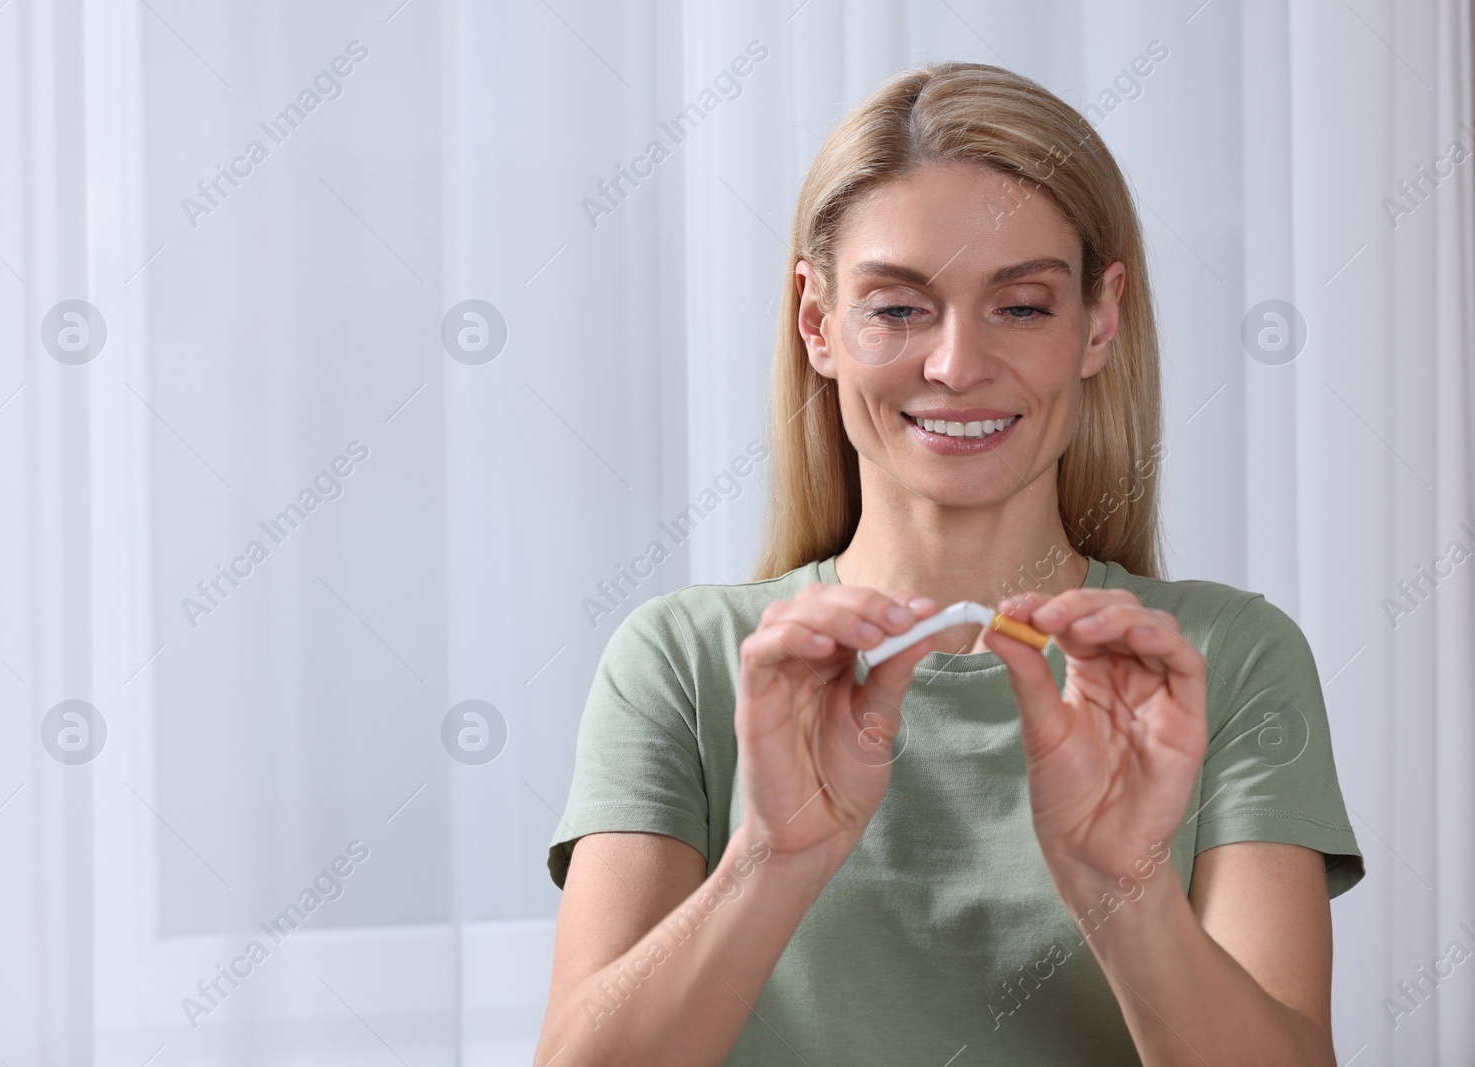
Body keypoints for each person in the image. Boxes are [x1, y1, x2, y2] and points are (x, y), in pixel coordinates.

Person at [535, 61, 1364, 1066]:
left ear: (1099, 319)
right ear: (816, 320)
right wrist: (772, 857)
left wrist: (1124, 888)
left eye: (1020, 306)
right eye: (897, 308)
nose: (957, 365)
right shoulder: (686, 659)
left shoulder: (1216, 661)